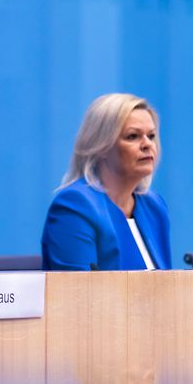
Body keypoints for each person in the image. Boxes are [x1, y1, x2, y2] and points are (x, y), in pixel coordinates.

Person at [41, 93, 171, 271]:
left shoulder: (154, 207)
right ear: (101, 146)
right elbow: (76, 294)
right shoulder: (76, 206)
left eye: (151, 136)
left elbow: (168, 287)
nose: (147, 144)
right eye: (133, 136)